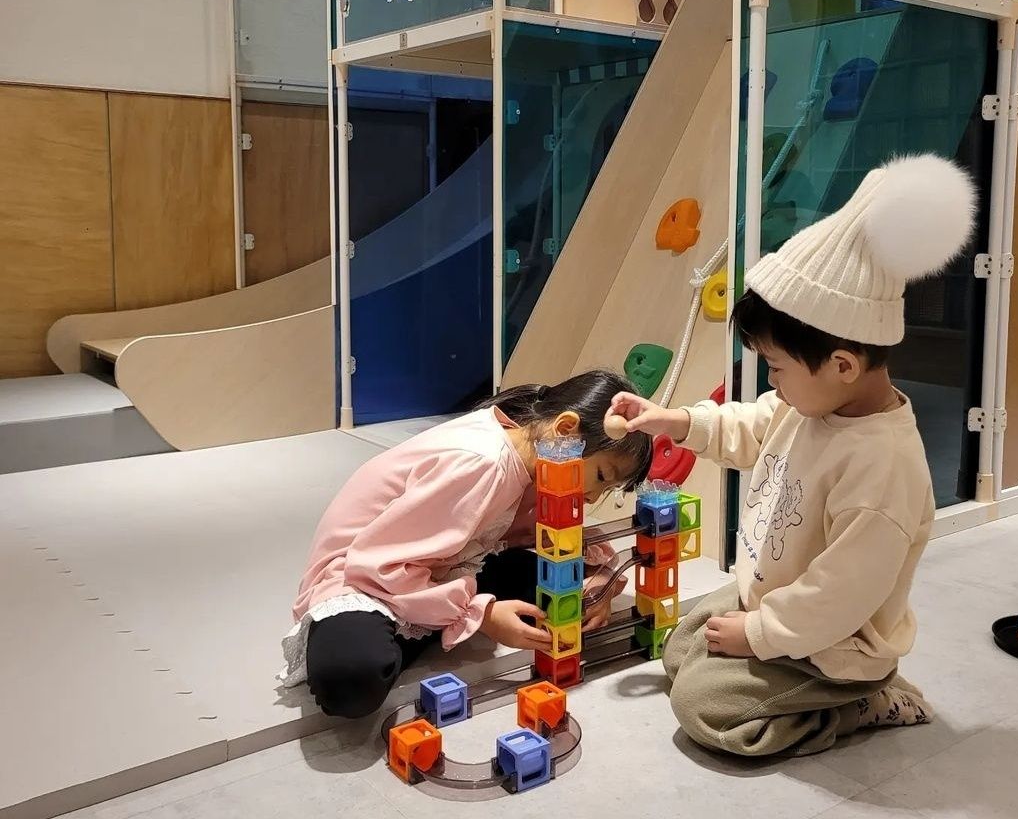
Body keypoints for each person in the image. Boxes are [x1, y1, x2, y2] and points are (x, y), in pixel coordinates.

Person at [609, 153, 976, 757]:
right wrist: (674, 421)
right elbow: (751, 426)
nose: (772, 384)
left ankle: (863, 701)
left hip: (836, 643)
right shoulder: (809, 405)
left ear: (842, 365)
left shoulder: (883, 467)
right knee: (678, 652)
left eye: (776, 367)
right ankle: (767, 655)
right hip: (777, 599)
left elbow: (840, 593)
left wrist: (759, 634)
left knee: (702, 706)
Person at [279, 370, 652, 719]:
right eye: (601, 476)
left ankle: (438, 612)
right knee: (351, 679)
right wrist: (481, 616)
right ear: (565, 429)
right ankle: (429, 617)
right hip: (368, 576)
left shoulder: (536, 453)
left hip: (445, 565)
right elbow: (379, 563)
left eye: (608, 488)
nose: (593, 498)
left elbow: (566, 538)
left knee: (568, 587)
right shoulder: (482, 463)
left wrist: (599, 583)